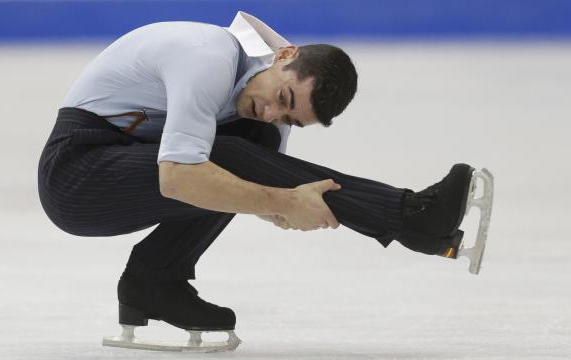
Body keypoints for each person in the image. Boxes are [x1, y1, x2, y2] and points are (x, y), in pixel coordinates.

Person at [37, 11, 490, 350]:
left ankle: (153, 283)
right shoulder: (206, 56)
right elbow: (179, 179)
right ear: (284, 55)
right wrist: (281, 200)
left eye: (292, 115)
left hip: (128, 157)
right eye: (284, 97)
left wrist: (282, 205)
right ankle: (411, 216)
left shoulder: (266, 111)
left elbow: (263, 191)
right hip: (75, 174)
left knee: (254, 143)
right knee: (229, 155)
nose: (275, 112)